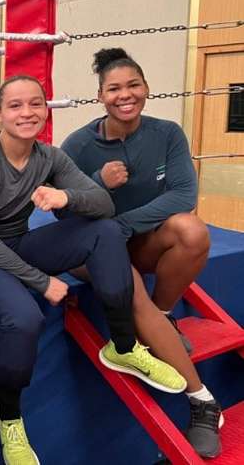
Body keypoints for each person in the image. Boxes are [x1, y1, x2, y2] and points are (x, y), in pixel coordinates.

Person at [0, 75, 186, 465]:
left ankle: (123, 346)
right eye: (15, 106)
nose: (26, 113)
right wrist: (41, 282)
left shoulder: (49, 158)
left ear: (46, 109)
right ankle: (8, 415)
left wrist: (66, 196)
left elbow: (104, 206)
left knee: (104, 231)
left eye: (35, 104)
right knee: (24, 316)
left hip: (17, 245)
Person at [62, 47, 221, 458]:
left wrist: (124, 225)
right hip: (92, 247)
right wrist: (98, 182)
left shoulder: (166, 133)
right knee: (126, 287)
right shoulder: (78, 145)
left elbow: (184, 194)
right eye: (114, 88)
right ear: (100, 96)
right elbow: (64, 208)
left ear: (147, 89)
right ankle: (202, 401)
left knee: (192, 230)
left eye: (133, 84)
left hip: (134, 238)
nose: (125, 94)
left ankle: (164, 316)